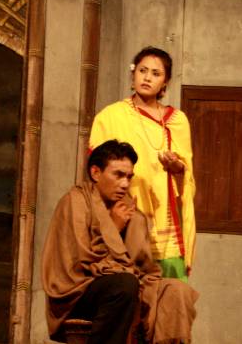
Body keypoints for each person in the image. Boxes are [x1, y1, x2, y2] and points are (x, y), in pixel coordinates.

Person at [42, 139, 198, 344]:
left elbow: (143, 268)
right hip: (77, 291)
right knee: (124, 284)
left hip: (125, 285)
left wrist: (145, 282)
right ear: (95, 173)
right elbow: (81, 260)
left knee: (176, 290)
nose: (125, 184)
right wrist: (114, 227)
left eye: (129, 177)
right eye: (118, 175)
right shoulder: (76, 201)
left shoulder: (130, 211)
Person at [89, 47, 196, 282]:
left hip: (165, 219)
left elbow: (186, 175)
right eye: (142, 70)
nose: (147, 77)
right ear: (133, 74)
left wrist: (176, 167)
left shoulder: (177, 121)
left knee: (170, 295)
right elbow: (96, 170)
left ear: (165, 82)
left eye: (156, 74)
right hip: (126, 213)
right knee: (129, 290)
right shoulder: (111, 116)